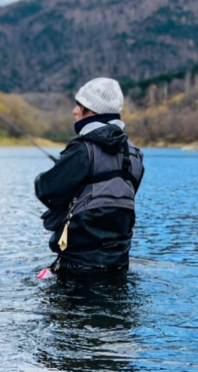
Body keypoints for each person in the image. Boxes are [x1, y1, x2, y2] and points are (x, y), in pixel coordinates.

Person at [34, 77, 145, 273]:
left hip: (77, 266)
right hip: (119, 265)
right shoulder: (135, 155)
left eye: (79, 105)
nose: (74, 111)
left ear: (92, 110)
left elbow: (46, 191)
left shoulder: (82, 150)